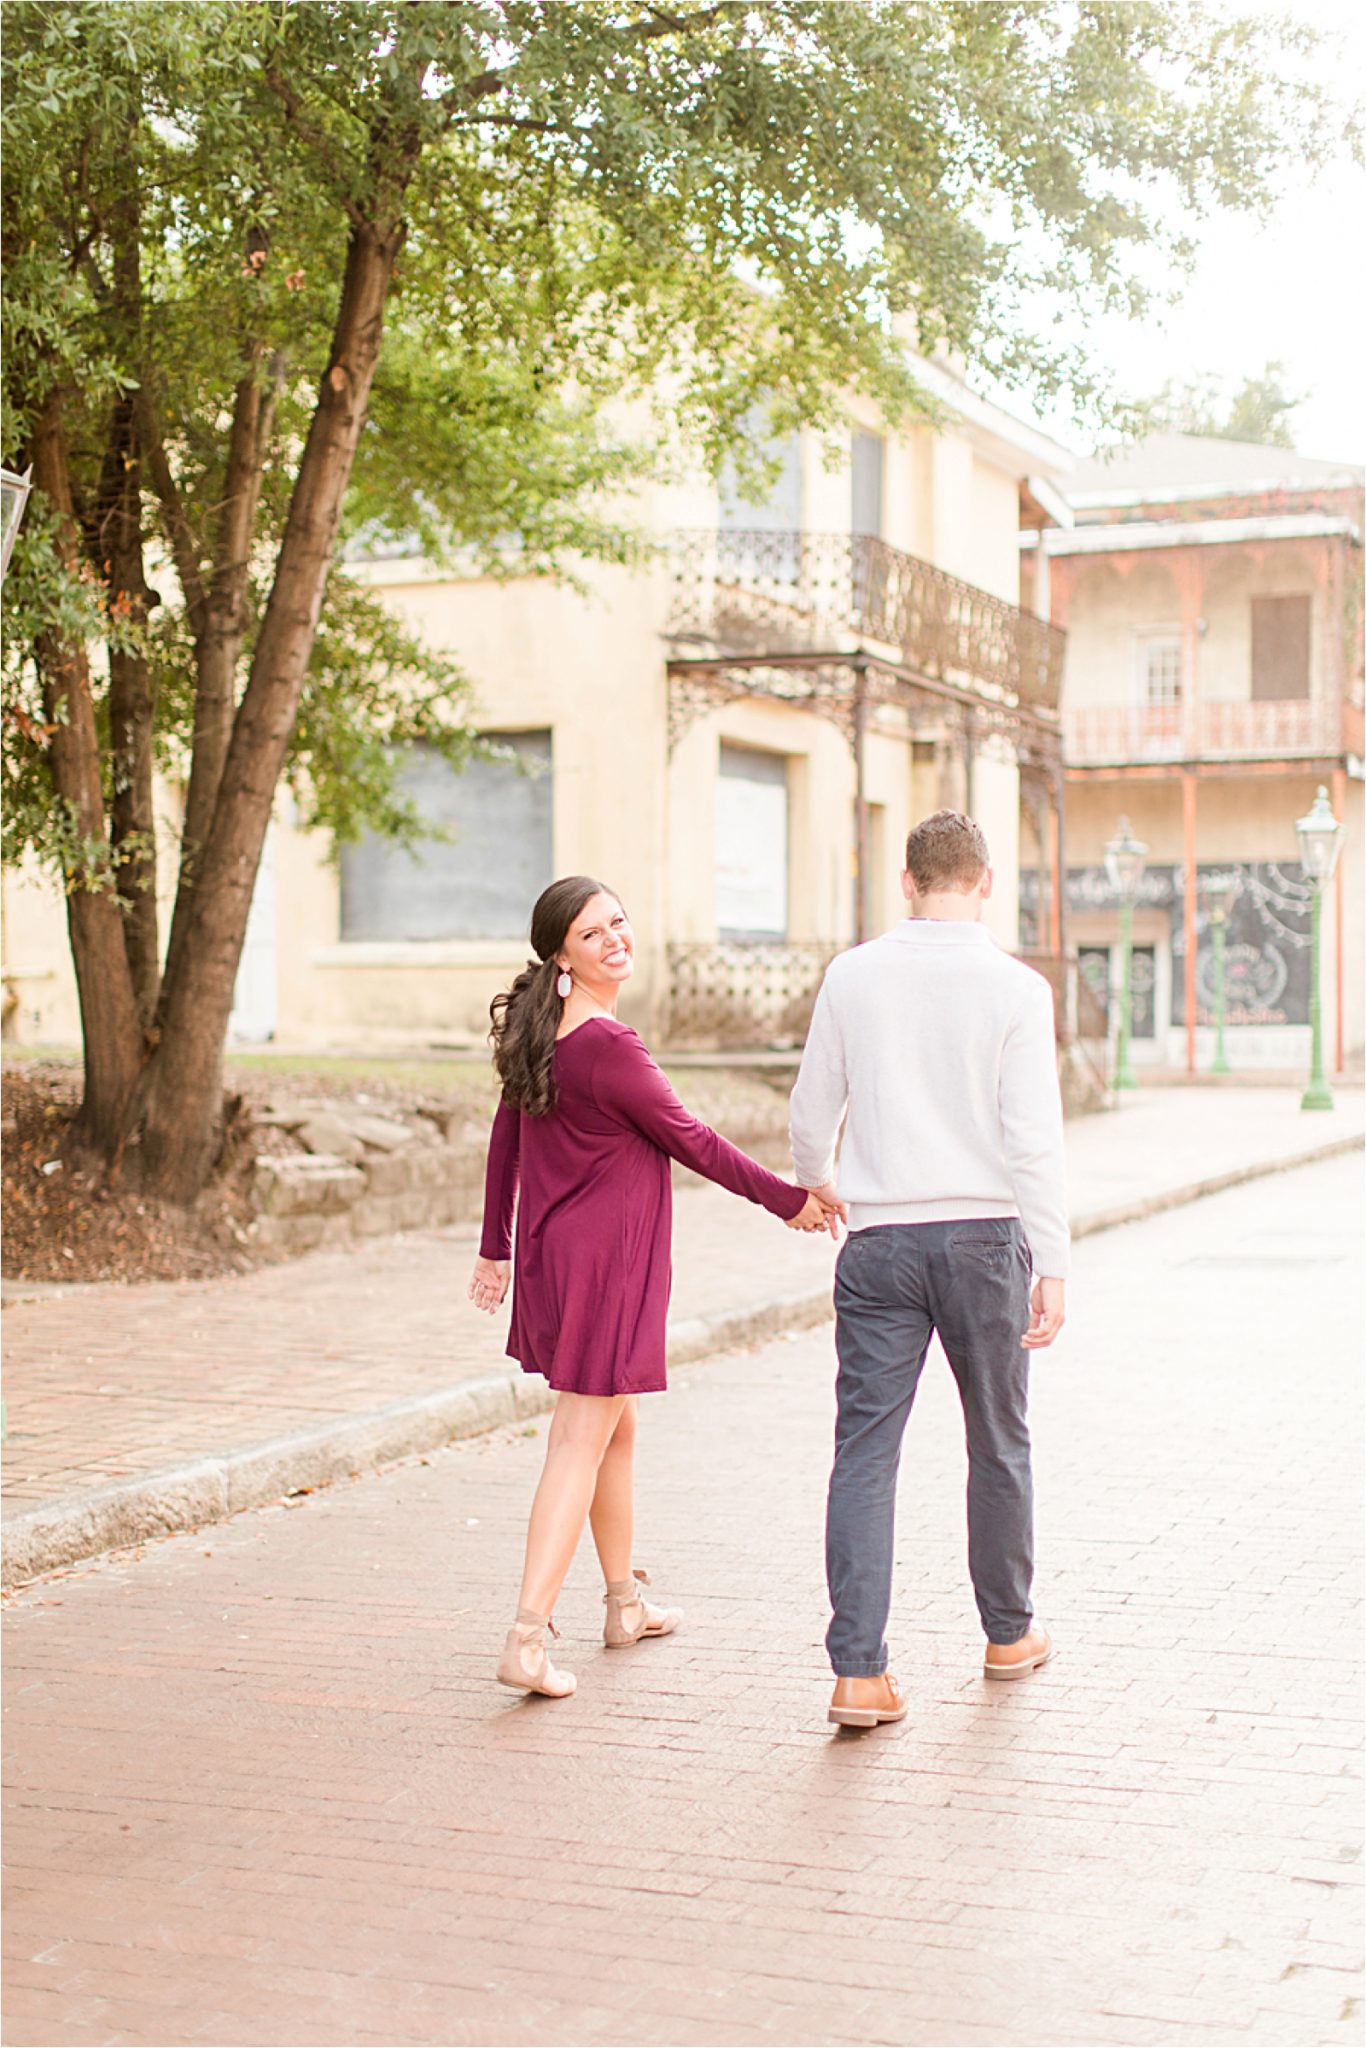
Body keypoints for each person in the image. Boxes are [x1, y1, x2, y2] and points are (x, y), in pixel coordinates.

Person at [471, 874, 839, 1699]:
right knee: (578, 1439)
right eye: (595, 934)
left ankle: (624, 1604)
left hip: (558, 1257)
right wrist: (790, 1202)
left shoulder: (548, 1033)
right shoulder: (606, 1045)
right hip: (603, 1266)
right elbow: (691, 1138)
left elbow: (506, 1140)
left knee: (616, 1431)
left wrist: (495, 1248)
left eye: (620, 924)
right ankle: (527, 1637)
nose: (617, 941)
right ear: (563, 956)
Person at [789, 809, 1069, 1730]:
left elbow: (810, 1109)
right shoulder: (1017, 989)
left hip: (877, 1242)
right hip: (986, 1237)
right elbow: (1033, 1140)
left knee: (865, 1450)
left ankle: (858, 1673)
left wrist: (818, 1184)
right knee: (999, 1439)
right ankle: (1007, 1634)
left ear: (906, 883)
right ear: (987, 882)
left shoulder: (853, 975)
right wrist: (1053, 1260)